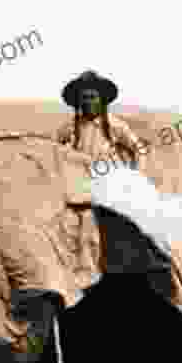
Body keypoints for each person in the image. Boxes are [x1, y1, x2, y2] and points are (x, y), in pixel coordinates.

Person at [56, 70, 150, 286]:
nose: (89, 102)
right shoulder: (69, 128)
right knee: (78, 234)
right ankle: (81, 278)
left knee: (111, 234)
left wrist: (136, 177)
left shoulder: (115, 126)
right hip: (79, 187)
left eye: (93, 97)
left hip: (109, 188)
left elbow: (139, 150)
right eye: (84, 97)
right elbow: (52, 151)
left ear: (102, 100)